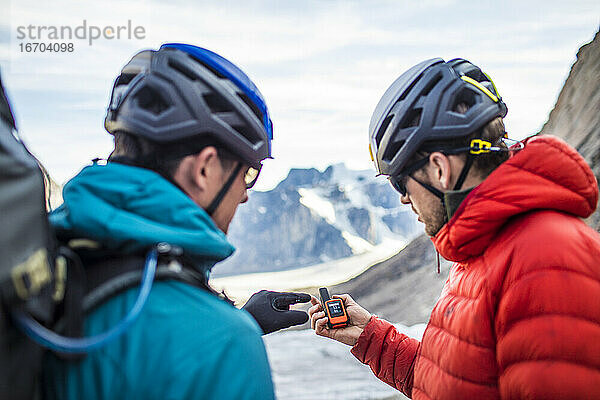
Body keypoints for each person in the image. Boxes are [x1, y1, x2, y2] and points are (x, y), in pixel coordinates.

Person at [309, 58, 600, 399]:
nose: (403, 200)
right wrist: (371, 338)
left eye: (401, 183)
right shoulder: (488, 252)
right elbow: (457, 382)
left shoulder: (545, 260)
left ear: (439, 169)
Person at [43, 43, 310, 400]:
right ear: (204, 168)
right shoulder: (224, 345)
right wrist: (221, 336)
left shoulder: (45, 254)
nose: (245, 194)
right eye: (248, 173)